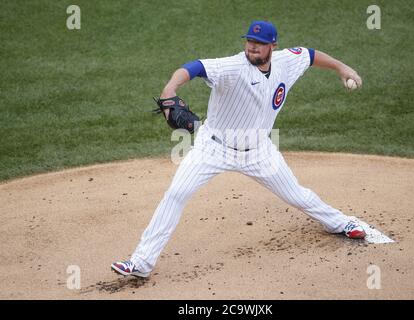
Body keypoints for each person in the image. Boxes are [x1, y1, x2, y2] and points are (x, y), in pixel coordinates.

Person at [111, 21, 365, 278]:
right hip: (213, 148)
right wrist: (170, 89)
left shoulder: (286, 62)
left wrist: (342, 68)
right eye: (250, 42)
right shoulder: (232, 67)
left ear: (272, 46)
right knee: (176, 194)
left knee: (297, 196)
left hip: (259, 150)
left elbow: (310, 55)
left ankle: (341, 223)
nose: (253, 48)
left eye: (259, 44)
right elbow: (195, 67)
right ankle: (141, 262)